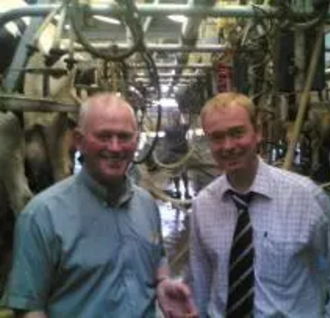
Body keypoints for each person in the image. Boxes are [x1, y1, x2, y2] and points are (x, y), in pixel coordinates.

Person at [2, 93, 198, 318]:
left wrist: (163, 283)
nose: (115, 147)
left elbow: (157, 258)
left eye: (124, 137)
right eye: (104, 136)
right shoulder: (41, 215)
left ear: (135, 141)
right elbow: (29, 309)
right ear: (79, 140)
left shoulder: (147, 205)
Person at [189, 92, 330, 317]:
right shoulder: (203, 205)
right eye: (217, 137)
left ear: (258, 133)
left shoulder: (304, 196)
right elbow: (200, 278)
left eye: (237, 133)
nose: (228, 145)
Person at [160, 110, 191, 199]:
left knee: (184, 174)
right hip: (173, 155)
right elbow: (164, 129)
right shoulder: (169, 129)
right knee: (175, 174)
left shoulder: (183, 127)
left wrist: (186, 112)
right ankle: (178, 190)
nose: (177, 117)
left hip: (183, 154)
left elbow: (189, 122)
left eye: (178, 116)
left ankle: (186, 190)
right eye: (175, 116)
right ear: (172, 118)